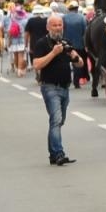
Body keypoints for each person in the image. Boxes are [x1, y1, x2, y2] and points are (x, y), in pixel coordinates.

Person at [30, 14, 82, 166]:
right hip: (50, 87)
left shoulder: (66, 43)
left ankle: (53, 155)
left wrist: (74, 56)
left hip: (65, 87)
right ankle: (59, 153)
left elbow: (81, 64)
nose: (58, 28)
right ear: (48, 27)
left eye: (60, 25)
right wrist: (53, 53)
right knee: (56, 120)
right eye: (54, 25)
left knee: (58, 122)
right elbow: (36, 65)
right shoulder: (42, 43)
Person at [6, 0, 30, 76]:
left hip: (13, 41)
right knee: (21, 56)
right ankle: (20, 70)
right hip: (22, 40)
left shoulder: (13, 20)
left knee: (15, 55)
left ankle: (17, 69)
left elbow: (9, 32)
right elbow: (27, 32)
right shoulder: (25, 21)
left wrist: (9, 41)